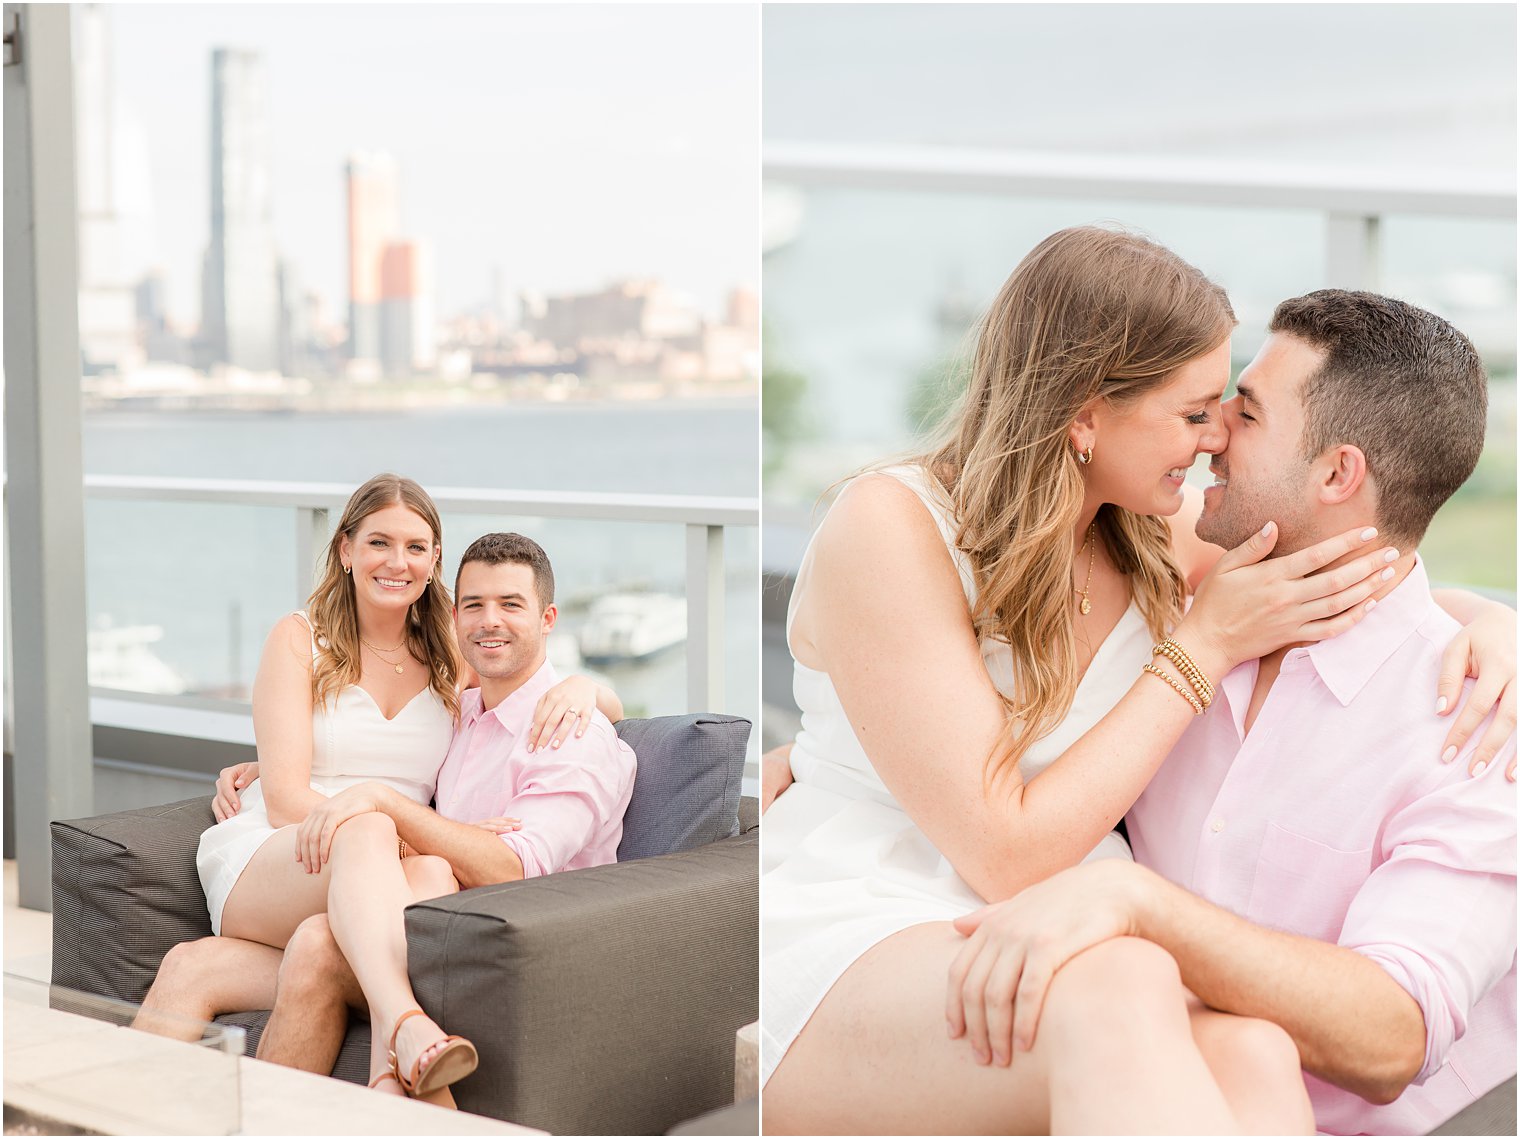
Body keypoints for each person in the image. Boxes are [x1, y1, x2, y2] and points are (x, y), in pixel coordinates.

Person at [758, 228, 1516, 1134]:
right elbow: (1002, 853)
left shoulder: (1154, 531)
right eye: (1196, 411)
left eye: (1230, 412)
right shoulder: (893, 523)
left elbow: (1360, 562)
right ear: (1086, 414)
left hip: (1081, 921)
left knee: (1254, 1046)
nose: (1212, 441)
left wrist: (1493, 625)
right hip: (887, 901)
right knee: (1127, 973)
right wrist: (1198, 652)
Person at [143, 477, 623, 1101]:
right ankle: (403, 1024)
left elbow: (533, 674)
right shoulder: (299, 637)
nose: (398, 562)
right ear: (344, 548)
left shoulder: (453, 647)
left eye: (417, 548)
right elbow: (289, 799)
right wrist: (387, 828)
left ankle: (95, 1117)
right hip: (285, 847)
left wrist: (590, 688)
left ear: (433, 564)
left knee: (201, 964)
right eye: (379, 542)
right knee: (369, 828)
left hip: (380, 875)